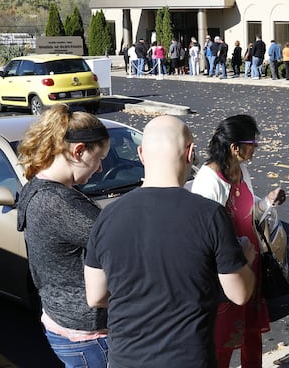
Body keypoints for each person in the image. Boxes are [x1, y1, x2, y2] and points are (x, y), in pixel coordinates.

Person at [84, 115, 256, 368]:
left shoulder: (108, 216)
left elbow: (96, 296)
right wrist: (246, 259)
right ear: (190, 153)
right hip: (188, 358)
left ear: (141, 154)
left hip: (126, 359)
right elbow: (239, 293)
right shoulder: (209, 215)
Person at [15, 105, 110, 368]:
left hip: (63, 321)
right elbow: (119, 240)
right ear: (78, 151)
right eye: (100, 158)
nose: (100, 168)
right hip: (89, 335)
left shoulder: (37, 186)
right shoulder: (57, 203)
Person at [190, 115, 285, 368]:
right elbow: (204, 235)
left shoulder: (242, 169)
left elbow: (248, 212)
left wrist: (266, 202)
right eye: (252, 143)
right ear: (235, 147)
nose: (255, 148)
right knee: (223, 338)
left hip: (250, 263)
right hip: (226, 272)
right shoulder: (208, 181)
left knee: (251, 333)